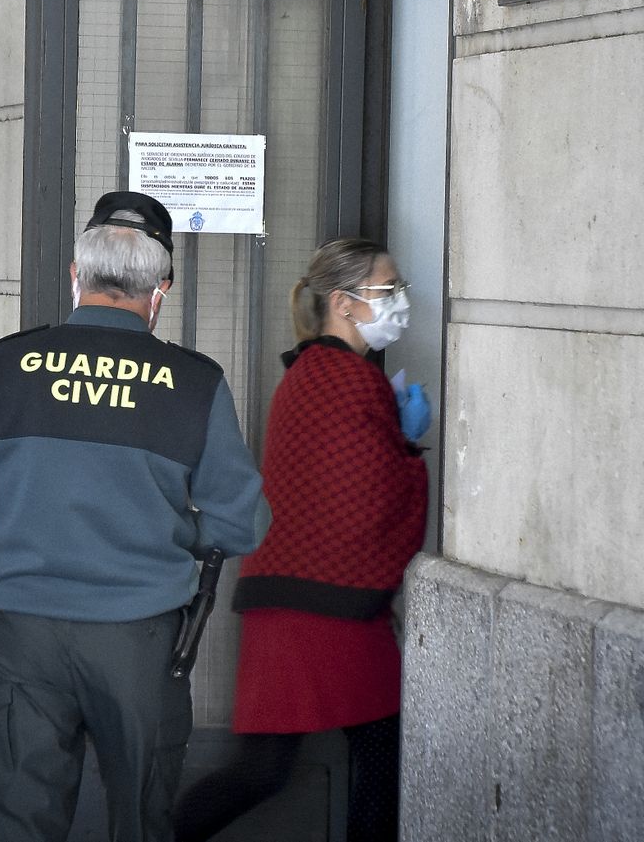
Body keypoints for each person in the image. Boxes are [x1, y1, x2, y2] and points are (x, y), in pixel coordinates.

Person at [0, 190, 266, 842]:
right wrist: (175, 530)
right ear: (160, 288)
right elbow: (243, 522)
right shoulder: (193, 382)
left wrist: (32, 518)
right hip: (138, 637)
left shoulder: (10, 363)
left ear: (76, 276)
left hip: (22, 627)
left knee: (24, 819)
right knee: (141, 815)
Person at [173, 238, 429, 842]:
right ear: (344, 302)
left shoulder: (313, 374)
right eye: (387, 290)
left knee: (278, 766)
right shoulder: (346, 381)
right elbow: (370, 501)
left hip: (296, 603)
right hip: (326, 608)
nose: (400, 302)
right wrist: (410, 448)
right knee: (342, 761)